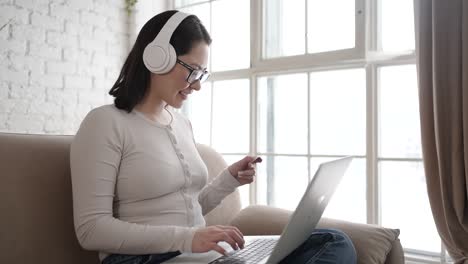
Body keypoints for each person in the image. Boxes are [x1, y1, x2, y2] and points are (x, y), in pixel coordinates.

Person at [70, 10, 357, 264]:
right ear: (156, 56)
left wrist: (228, 180)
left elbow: (187, 208)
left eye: (202, 74)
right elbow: (91, 230)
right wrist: (188, 239)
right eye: (192, 71)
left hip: (196, 254)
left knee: (333, 241)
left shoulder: (182, 124)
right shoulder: (105, 123)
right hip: (141, 258)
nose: (196, 85)